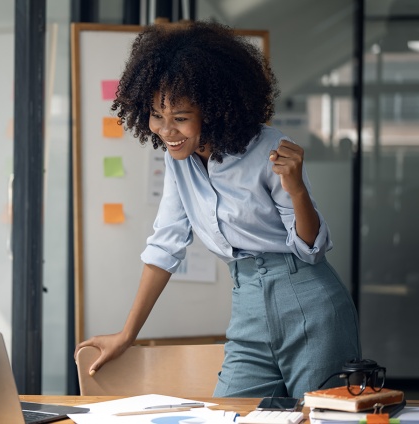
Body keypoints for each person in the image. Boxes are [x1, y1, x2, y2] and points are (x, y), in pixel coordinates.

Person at [74, 20, 361, 398]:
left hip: (309, 304)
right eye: (156, 116)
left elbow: (311, 246)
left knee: (320, 418)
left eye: (180, 118)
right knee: (228, 413)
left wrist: (297, 191)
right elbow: (165, 246)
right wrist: (128, 334)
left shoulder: (270, 149)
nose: (166, 131)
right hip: (248, 308)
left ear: (211, 110)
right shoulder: (178, 162)